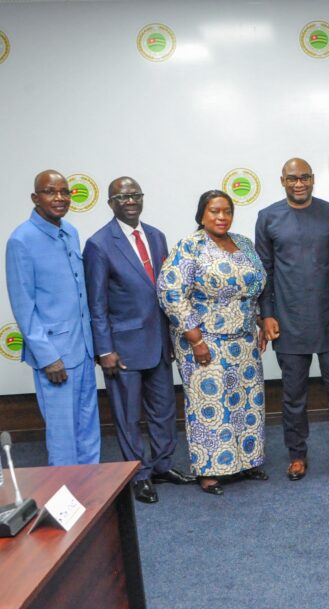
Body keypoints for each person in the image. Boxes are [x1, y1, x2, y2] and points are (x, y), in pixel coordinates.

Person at [84, 177, 195, 503]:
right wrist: (105, 349)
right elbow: (97, 303)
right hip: (123, 349)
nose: (130, 201)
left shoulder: (157, 236)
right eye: (122, 196)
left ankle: (162, 466)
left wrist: (172, 339)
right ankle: (139, 474)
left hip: (159, 343)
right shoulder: (99, 244)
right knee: (128, 416)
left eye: (135, 195)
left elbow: (165, 291)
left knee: (163, 411)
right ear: (110, 203)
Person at [158, 190, 268, 495]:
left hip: (243, 338)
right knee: (211, 404)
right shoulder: (190, 247)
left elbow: (255, 286)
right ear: (201, 215)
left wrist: (259, 320)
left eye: (227, 211)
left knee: (246, 401)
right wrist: (195, 339)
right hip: (205, 340)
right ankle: (209, 471)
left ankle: (246, 461)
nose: (222, 217)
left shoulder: (243, 243)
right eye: (214, 211)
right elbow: (171, 292)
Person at [255, 158, 329, 481]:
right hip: (288, 322)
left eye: (305, 178)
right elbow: (264, 273)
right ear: (282, 181)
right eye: (292, 179)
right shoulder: (268, 217)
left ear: (313, 179)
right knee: (293, 395)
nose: (299, 184)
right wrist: (266, 316)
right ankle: (297, 455)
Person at [5, 170, 99, 466]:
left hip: (82, 349)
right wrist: (47, 357)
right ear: (35, 198)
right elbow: (23, 305)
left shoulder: (70, 230)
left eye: (65, 192)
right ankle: (68, 500)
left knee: (88, 429)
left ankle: (94, 494)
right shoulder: (21, 240)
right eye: (50, 191)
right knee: (63, 436)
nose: (59, 198)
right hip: (55, 356)